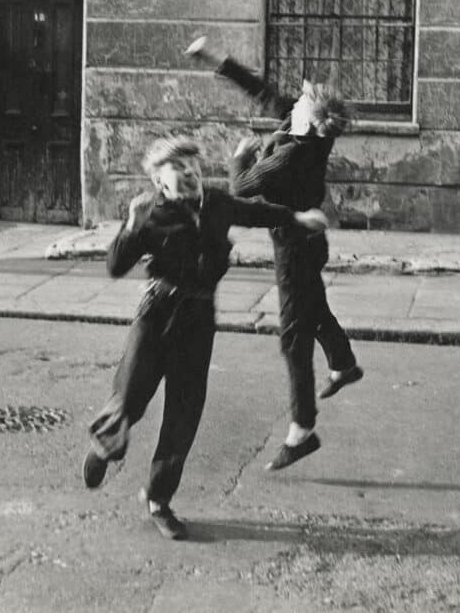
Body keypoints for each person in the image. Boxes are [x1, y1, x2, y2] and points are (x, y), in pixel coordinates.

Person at [82, 135, 329, 538]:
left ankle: (159, 500)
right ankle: (104, 447)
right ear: (160, 182)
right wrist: (129, 226)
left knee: (184, 412)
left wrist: (296, 219)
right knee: (130, 396)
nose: (190, 174)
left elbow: (255, 212)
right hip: (156, 315)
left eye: (194, 167)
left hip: (198, 319)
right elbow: (114, 266)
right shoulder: (150, 214)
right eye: (178, 170)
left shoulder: (216, 204)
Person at [185, 36, 363, 471]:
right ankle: (343, 363)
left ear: (309, 120)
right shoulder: (301, 127)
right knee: (313, 308)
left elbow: (241, 189)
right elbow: (261, 90)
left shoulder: (289, 156)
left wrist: (239, 158)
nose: (294, 98)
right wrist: (216, 59)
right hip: (309, 243)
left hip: (295, 249)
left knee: (293, 338)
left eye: (302, 99)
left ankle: (302, 431)